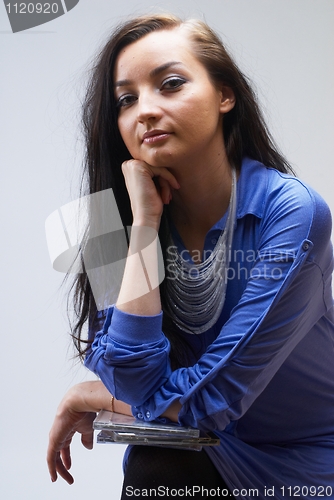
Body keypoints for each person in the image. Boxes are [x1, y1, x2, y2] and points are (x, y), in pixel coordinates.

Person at [47, 13, 334, 499]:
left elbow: (216, 396)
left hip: (309, 459)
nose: (145, 110)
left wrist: (94, 394)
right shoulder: (102, 224)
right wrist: (143, 224)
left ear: (225, 95)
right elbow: (131, 375)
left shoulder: (292, 212)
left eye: (171, 84)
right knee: (154, 466)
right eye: (126, 99)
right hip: (210, 445)